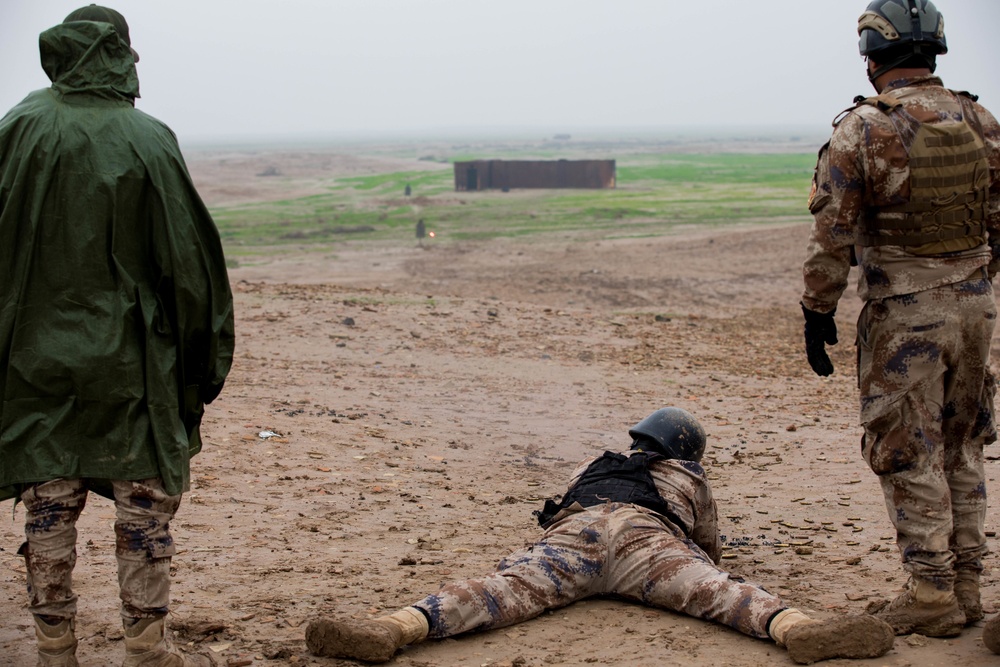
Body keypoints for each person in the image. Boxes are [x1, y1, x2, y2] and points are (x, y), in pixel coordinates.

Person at [0, 5, 235, 666]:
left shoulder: (17, 128)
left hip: (31, 365)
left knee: (46, 509)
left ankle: (54, 649)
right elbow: (191, 271)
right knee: (143, 510)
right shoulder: (147, 139)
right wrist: (201, 370)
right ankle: (146, 648)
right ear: (121, 56)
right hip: (133, 370)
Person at [305, 408, 894, 664]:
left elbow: (557, 516)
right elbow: (708, 548)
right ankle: (801, 629)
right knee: (724, 595)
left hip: (580, 534)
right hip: (647, 540)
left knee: (498, 591)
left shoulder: (595, 464)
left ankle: (393, 627)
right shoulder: (689, 474)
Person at [800, 0, 1000, 640]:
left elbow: (833, 234)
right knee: (961, 443)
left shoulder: (861, 129)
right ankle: (968, 590)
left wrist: (817, 310)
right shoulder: (979, 119)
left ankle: (932, 593)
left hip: (906, 313)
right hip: (975, 305)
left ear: (871, 54)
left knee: (907, 449)